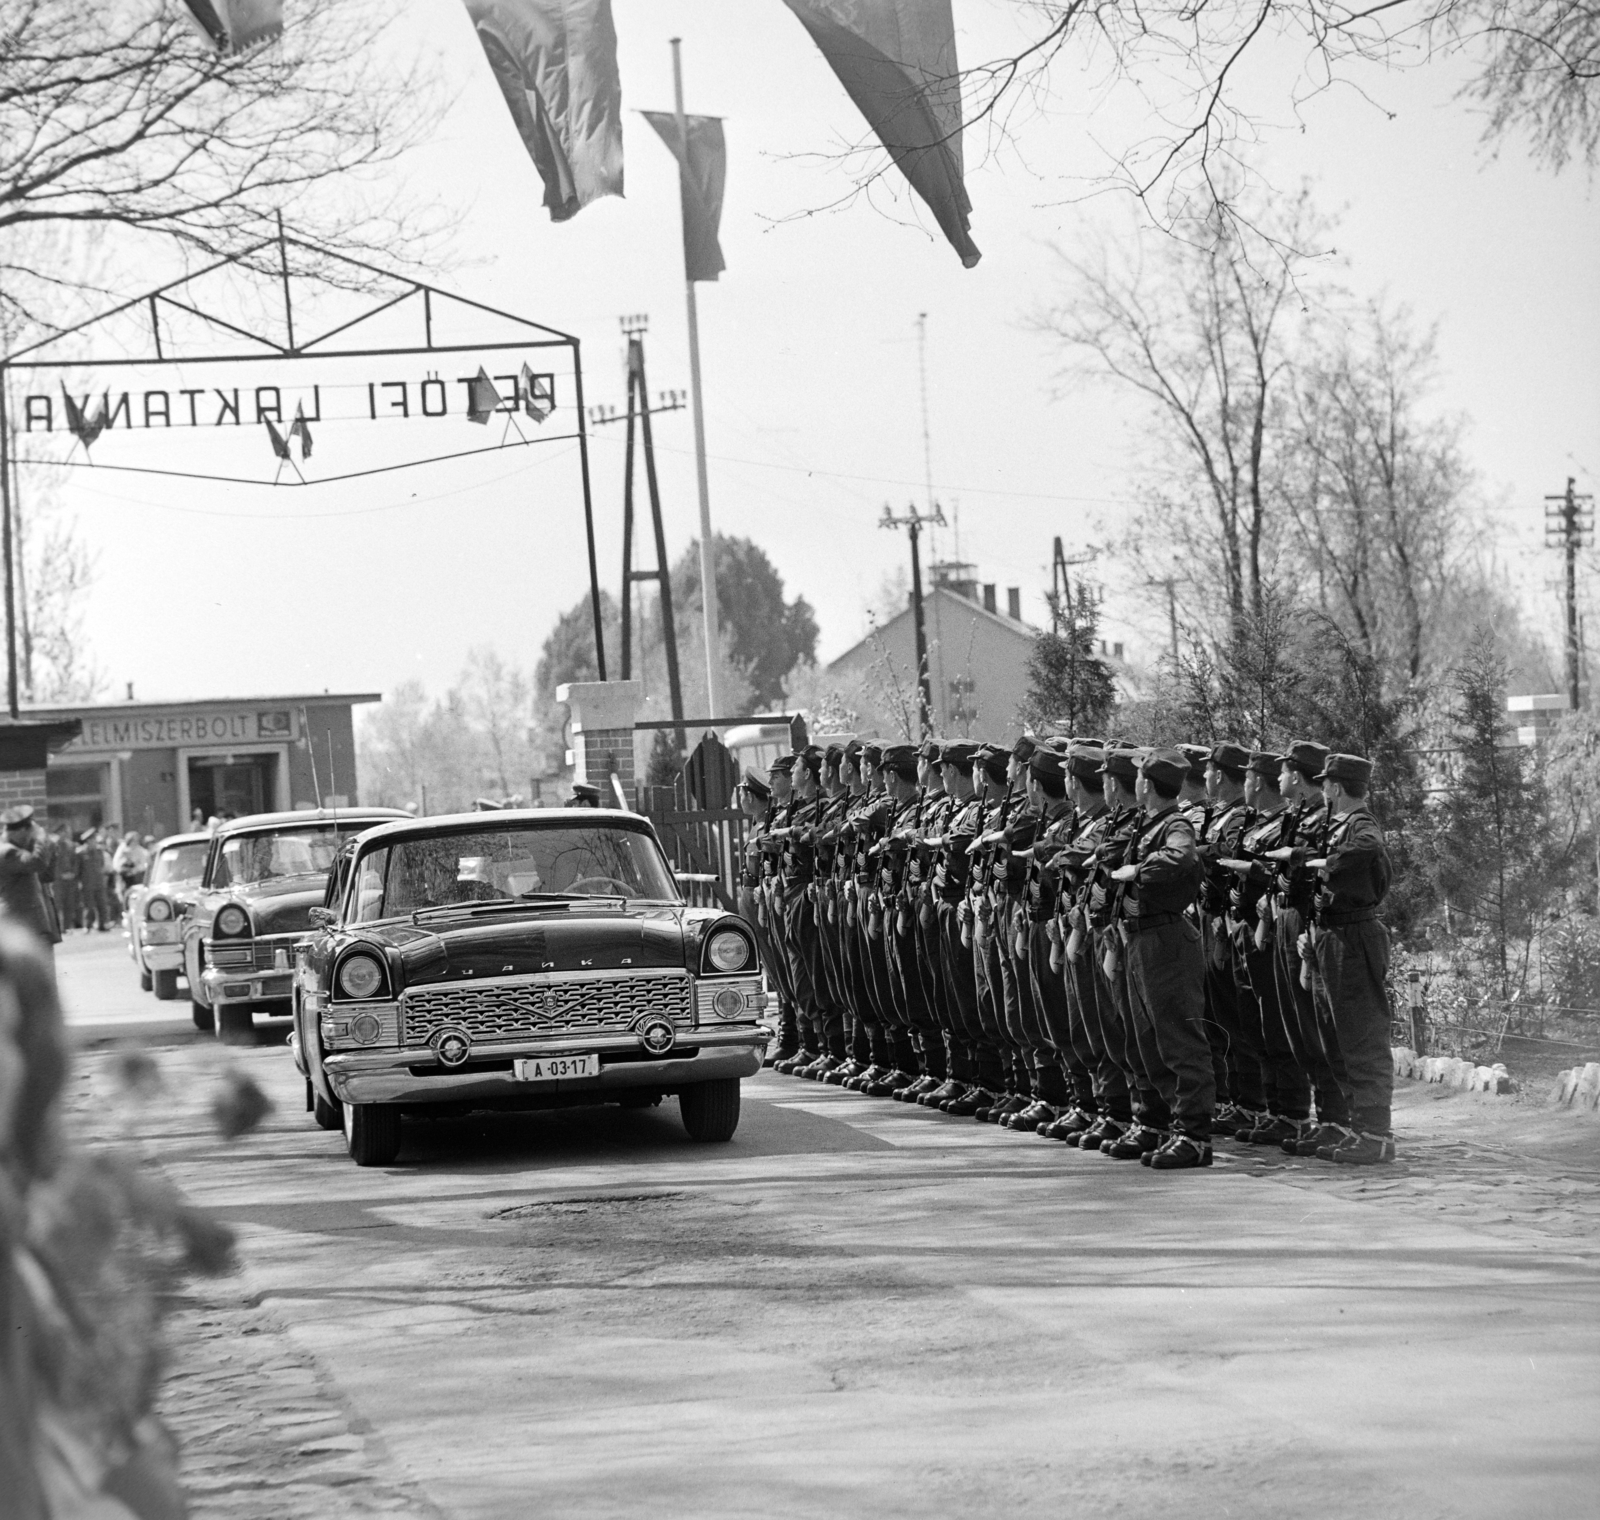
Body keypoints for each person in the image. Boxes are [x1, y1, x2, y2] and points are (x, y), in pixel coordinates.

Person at [1111, 747, 1215, 1169]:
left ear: (1148, 785)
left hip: (1166, 939)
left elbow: (1182, 855)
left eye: (1139, 779)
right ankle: (1160, 1125)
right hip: (1141, 937)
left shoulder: (1175, 824)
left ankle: (1194, 1137)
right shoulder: (1146, 823)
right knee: (1148, 1041)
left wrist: (1138, 870)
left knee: (1178, 1039)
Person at [1307, 752, 1395, 1164]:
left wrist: (1326, 863)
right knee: (1338, 1036)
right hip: (1333, 932)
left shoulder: (1360, 824)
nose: (1322, 790)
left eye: (1325, 784)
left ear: (1337, 788)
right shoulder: (1338, 824)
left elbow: (1369, 847)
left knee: (1361, 1036)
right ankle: (1359, 1128)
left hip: (1354, 934)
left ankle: (1375, 1134)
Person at [0, 806, 63, 973]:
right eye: (30, 831)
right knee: (32, 978)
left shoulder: (22, 849)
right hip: (22, 924)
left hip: (36, 922)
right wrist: (41, 837)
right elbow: (36, 863)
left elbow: (46, 875)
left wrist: (50, 847)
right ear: (20, 831)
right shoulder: (6, 852)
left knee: (45, 974)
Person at [75, 828, 111, 932]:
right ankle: (88, 925)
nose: (95, 842)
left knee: (102, 904)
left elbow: (102, 865)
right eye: (93, 839)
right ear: (88, 841)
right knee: (89, 906)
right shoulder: (81, 853)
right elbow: (77, 869)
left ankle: (103, 924)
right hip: (87, 883)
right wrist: (79, 883)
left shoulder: (99, 851)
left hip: (99, 882)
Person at [113, 830, 149, 919]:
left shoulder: (141, 851)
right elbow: (116, 863)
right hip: (123, 877)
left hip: (135, 877)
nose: (134, 842)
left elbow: (144, 864)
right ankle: (125, 915)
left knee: (135, 896)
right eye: (133, 840)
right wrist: (123, 868)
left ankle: (136, 915)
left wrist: (134, 870)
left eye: (136, 840)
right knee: (123, 895)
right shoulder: (122, 849)